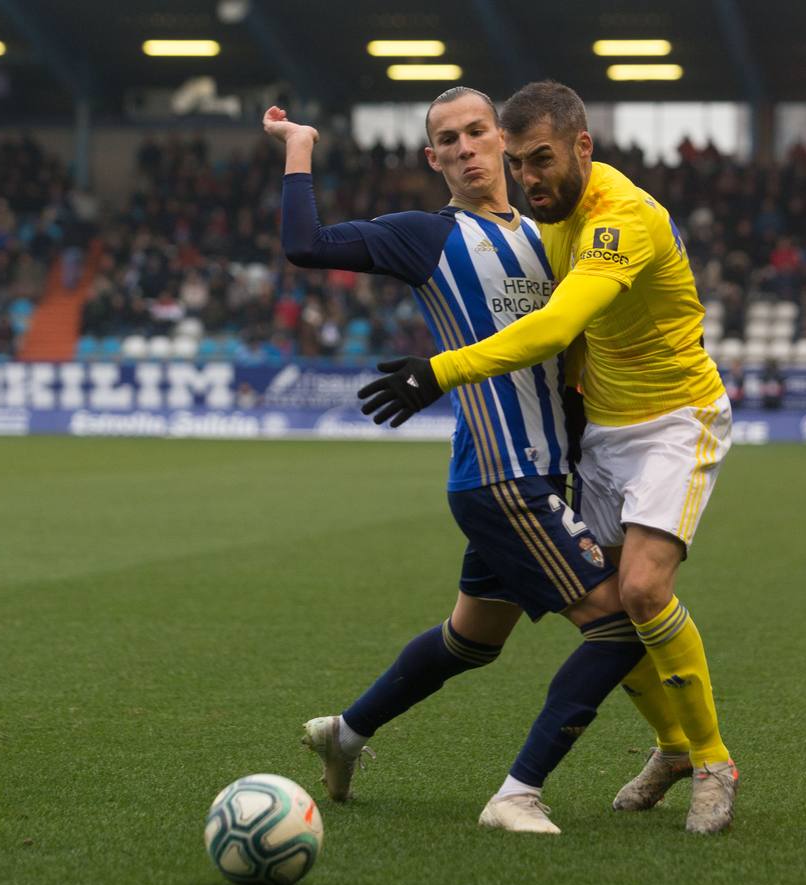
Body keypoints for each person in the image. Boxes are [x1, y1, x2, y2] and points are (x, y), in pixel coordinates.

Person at [265, 91, 680, 834]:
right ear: (434, 160)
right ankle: (516, 793)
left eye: (476, 133)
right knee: (619, 624)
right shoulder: (426, 236)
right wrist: (299, 147)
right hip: (501, 477)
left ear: (504, 143)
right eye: (447, 140)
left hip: (544, 474)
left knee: (471, 641)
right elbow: (307, 244)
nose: (464, 147)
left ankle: (345, 732)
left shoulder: (552, 236)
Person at [357, 81, 740, 833]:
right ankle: (669, 747)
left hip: (672, 421)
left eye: (543, 161)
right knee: (610, 606)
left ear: (582, 148)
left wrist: (436, 371)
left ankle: (712, 761)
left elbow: (552, 326)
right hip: (601, 432)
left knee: (639, 592)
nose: (530, 179)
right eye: (522, 164)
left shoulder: (617, 218)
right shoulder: (549, 217)